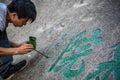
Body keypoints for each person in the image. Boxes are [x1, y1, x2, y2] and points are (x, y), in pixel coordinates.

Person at [0, 0, 37, 79]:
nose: (24, 24)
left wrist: (18, 45)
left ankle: (5, 70)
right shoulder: (0, 20)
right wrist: (18, 50)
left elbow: (2, 39)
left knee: (2, 35)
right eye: (24, 21)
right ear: (14, 15)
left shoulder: (3, 11)